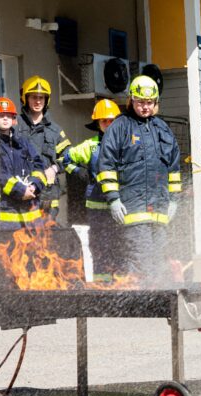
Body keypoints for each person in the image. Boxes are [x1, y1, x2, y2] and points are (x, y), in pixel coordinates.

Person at [97, 75, 181, 286]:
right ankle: (145, 300)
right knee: (142, 257)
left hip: (159, 210)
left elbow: (174, 168)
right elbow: (107, 165)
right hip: (132, 208)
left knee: (158, 258)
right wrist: (113, 199)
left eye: (149, 103)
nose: (145, 107)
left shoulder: (163, 129)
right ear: (131, 101)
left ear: (156, 103)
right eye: (141, 102)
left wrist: (173, 200)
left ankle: (151, 299)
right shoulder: (120, 127)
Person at [63, 99, 121, 282]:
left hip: (121, 206)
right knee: (99, 246)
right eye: (104, 121)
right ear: (97, 123)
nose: (108, 125)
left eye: (112, 121)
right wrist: (79, 172)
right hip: (97, 208)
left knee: (121, 246)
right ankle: (101, 285)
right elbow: (66, 159)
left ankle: (121, 283)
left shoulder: (127, 145)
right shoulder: (90, 146)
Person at [15, 75, 71, 222]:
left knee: (45, 241)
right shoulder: (15, 126)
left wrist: (54, 168)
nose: (38, 101)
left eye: (41, 97)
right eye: (34, 97)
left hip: (47, 197)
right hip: (21, 193)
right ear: (25, 98)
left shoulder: (55, 130)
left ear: (47, 100)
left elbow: (69, 156)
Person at [0, 97, 51, 230]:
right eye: (1, 115)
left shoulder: (23, 142)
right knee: (9, 249)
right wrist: (21, 190)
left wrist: (34, 185)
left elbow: (39, 165)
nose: (5, 119)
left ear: (14, 120)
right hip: (8, 211)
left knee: (35, 248)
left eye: (8, 116)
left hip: (31, 209)